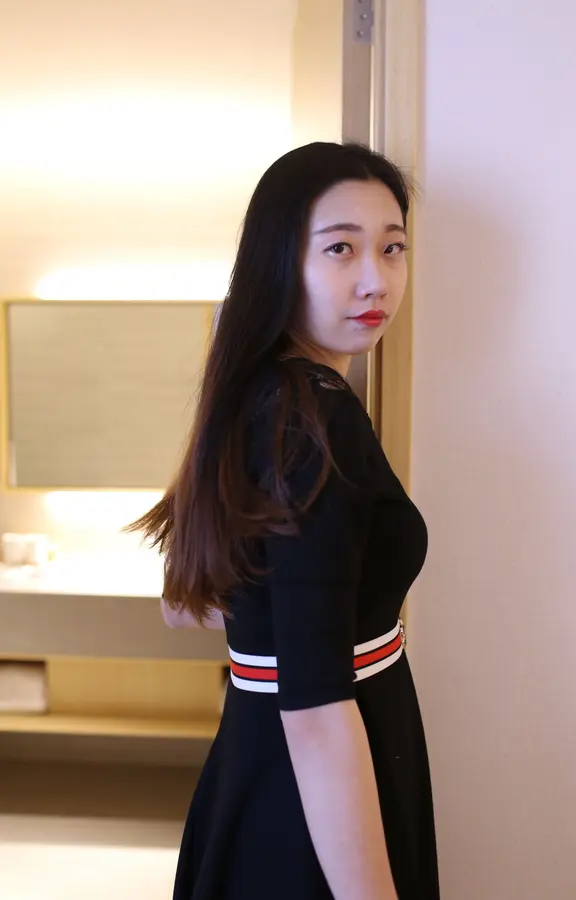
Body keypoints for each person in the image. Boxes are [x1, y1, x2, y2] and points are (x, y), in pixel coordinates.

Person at [128, 142, 439, 900]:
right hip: (315, 801)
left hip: (265, 770)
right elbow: (317, 709)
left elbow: (185, 602)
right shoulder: (314, 421)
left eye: (392, 247)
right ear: (278, 262)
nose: (377, 278)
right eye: (341, 248)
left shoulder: (256, 396)